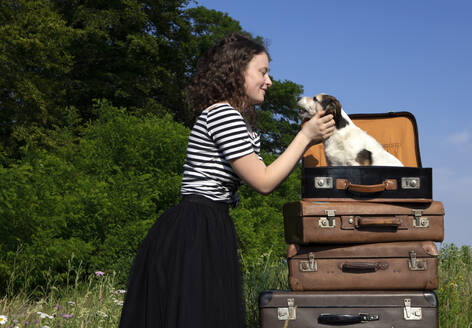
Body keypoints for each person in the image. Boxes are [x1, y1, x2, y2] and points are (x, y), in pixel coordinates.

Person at [118, 33, 335, 328]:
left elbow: (266, 174)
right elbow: (264, 181)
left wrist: (305, 139)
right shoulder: (223, 114)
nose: (269, 81)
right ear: (237, 72)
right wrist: (305, 136)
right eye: (263, 71)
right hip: (196, 228)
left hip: (207, 224)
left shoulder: (233, 119)